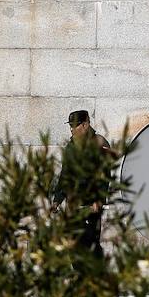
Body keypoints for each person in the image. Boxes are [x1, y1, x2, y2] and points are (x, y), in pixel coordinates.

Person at [54, 110, 115, 256]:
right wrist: (57, 199)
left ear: (85, 125)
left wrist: (98, 200)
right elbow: (65, 175)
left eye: (75, 125)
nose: (71, 129)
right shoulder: (71, 147)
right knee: (73, 247)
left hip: (90, 206)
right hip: (73, 205)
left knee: (90, 246)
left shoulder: (98, 143)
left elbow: (104, 175)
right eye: (70, 126)